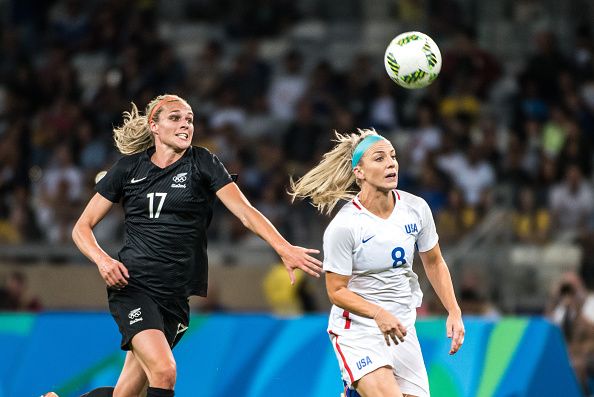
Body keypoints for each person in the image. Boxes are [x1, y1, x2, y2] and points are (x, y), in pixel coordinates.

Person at [43, 94, 322, 397]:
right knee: (164, 371)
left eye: (189, 119)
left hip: (175, 297)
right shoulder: (128, 170)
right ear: (154, 125)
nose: (185, 124)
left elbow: (245, 211)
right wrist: (103, 260)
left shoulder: (203, 162)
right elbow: (81, 228)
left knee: (126, 394)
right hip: (134, 286)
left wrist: (283, 247)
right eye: (175, 118)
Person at [290, 129, 465, 397]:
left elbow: (434, 261)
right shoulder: (345, 226)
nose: (391, 163)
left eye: (393, 157)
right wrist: (378, 313)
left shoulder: (416, 209)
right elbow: (336, 291)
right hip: (358, 329)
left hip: (402, 327)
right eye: (379, 158)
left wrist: (454, 310)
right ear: (358, 171)